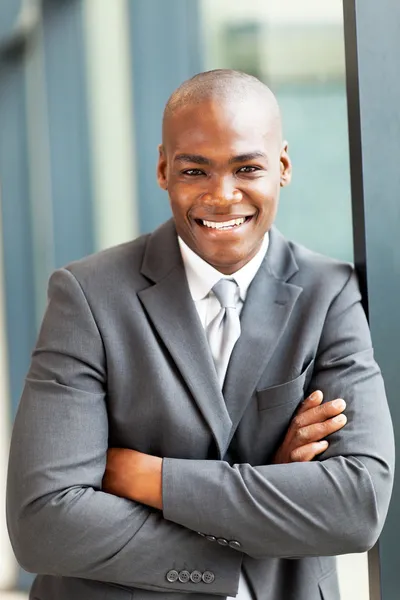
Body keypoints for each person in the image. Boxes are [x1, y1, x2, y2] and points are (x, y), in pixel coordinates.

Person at [7, 70, 394, 600]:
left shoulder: (331, 294)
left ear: (281, 166)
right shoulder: (87, 295)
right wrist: (266, 509)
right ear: (164, 169)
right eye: (196, 170)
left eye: (247, 167)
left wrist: (150, 478)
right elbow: (43, 523)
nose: (222, 195)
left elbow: (356, 506)